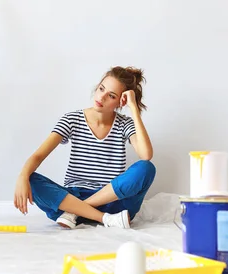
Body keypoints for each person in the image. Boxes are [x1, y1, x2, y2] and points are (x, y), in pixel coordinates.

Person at [13, 66, 156, 229]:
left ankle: (76, 212)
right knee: (30, 179)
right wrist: (22, 176)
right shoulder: (72, 119)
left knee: (146, 168)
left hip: (111, 203)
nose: (101, 97)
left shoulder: (125, 124)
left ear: (120, 102)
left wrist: (134, 109)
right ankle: (102, 218)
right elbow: (38, 156)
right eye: (101, 89)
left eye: (111, 96)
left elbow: (146, 155)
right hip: (73, 199)